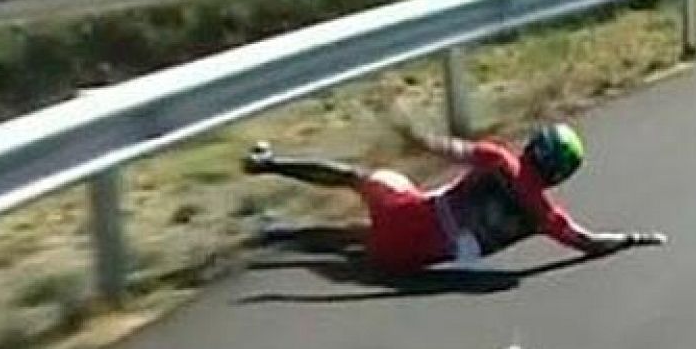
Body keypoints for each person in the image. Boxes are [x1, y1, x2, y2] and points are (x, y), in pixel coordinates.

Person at [240, 116, 667, 274]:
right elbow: (587, 243)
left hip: (409, 212)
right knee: (350, 239)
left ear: (535, 145)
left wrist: (413, 134)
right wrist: (634, 239)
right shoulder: (544, 215)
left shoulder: (499, 161)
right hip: (413, 262)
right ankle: (279, 233)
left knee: (362, 178)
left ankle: (269, 163)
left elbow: (443, 148)